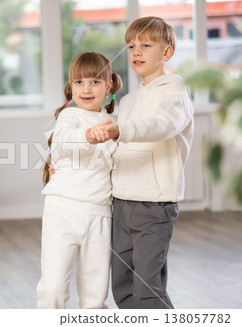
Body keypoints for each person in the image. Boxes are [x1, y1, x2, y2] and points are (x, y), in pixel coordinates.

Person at [88, 17, 194, 309]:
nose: (136, 51)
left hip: (154, 204)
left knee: (147, 287)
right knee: (122, 287)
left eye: (146, 45)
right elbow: (117, 150)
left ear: (166, 53)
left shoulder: (175, 90)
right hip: (121, 202)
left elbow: (162, 125)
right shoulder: (130, 100)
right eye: (132, 45)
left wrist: (120, 129)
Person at [37, 52, 122, 309]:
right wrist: (87, 135)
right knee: (52, 289)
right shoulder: (69, 117)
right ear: (70, 88)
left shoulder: (116, 124)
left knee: (95, 297)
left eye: (95, 82)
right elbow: (62, 142)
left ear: (108, 86)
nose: (86, 89)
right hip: (62, 210)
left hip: (100, 213)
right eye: (79, 82)